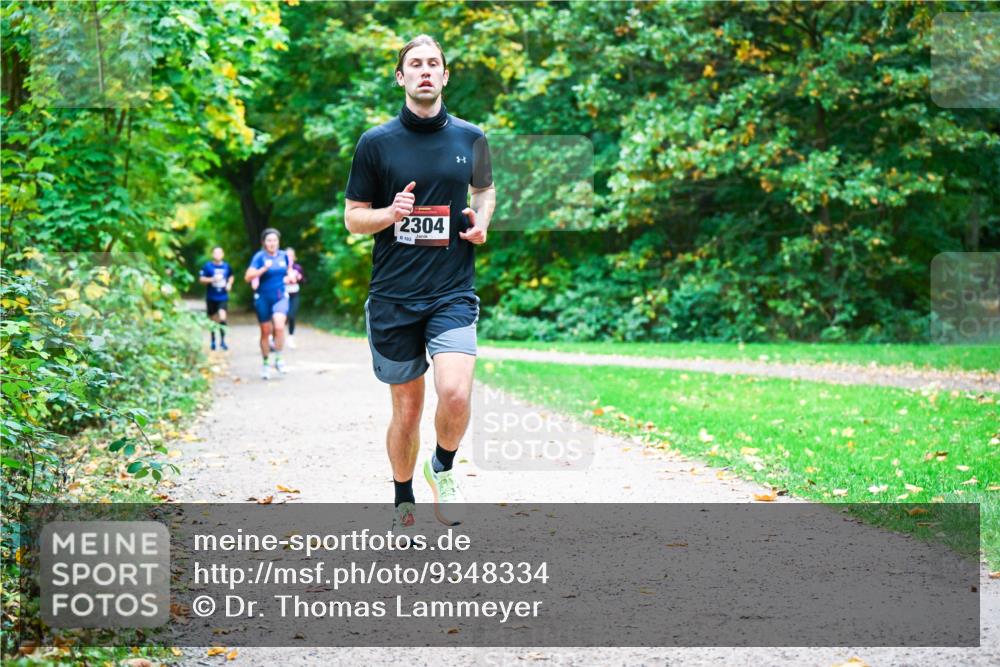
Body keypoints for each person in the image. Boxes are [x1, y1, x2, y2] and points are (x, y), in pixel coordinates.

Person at [344, 34, 495, 531]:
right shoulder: (376, 143)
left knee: (454, 392)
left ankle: (444, 468)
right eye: (416, 64)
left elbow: (485, 190)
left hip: (451, 291)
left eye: (434, 63)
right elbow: (353, 219)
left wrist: (482, 222)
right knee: (407, 410)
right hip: (393, 296)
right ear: (401, 77)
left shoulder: (470, 137)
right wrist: (392, 212)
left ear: (445, 76)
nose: (425, 70)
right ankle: (402, 496)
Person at [244, 228, 294, 380]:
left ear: (278, 241)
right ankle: (265, 363)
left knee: (279, 327)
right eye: (269, 241)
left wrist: (290, 276)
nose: (272, 243)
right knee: (265, 331)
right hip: (263, 297)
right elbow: (247, 277)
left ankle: (278, 358)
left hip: (280, 296)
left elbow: (289, 271)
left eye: (274, 240)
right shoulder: (259, 257)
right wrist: (262, 269)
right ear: (264, 243)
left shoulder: (284, 255)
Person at [198, 246, 233, 351]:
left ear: (223, 254)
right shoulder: (207, 266)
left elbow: (231, 276)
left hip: (223, 296)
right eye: (215, 253)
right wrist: (212, 279)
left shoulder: (227, 266)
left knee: (222, 317)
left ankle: (223, 341)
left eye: (219, 253)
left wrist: (229, 284)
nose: (217, 255)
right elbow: (201, 279)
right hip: (211, 296)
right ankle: (213, 341)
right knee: (213, 320)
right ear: (212, 255)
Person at [284, 247, 305, 349]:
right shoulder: (280, 267)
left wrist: (300, 278)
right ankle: (276, 337)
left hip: (294, 295)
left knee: (291, 316)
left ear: (294, 257)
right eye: (287, 255)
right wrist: (285, 279)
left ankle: (290, 337)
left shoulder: (298, 268)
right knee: (281, 317)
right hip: (282, 296)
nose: (289, 257)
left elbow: (305, 280)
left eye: (291, 255)